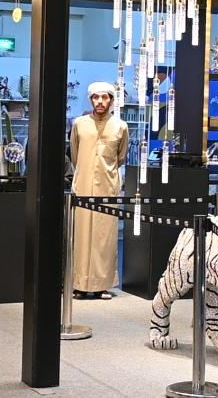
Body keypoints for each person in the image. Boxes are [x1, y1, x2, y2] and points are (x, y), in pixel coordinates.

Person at [69, 81, 129, 300]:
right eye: (96, 97)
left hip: (108, 187)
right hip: (83, 186)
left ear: (111, 100)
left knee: (105, 237)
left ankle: (102, 284)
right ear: (91, 100)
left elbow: (121, 157)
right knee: (82, 236)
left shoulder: (121, 127)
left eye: (104, 97)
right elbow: (75, 155)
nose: (100, 101)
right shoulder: (79, 124)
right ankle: (79, 284)